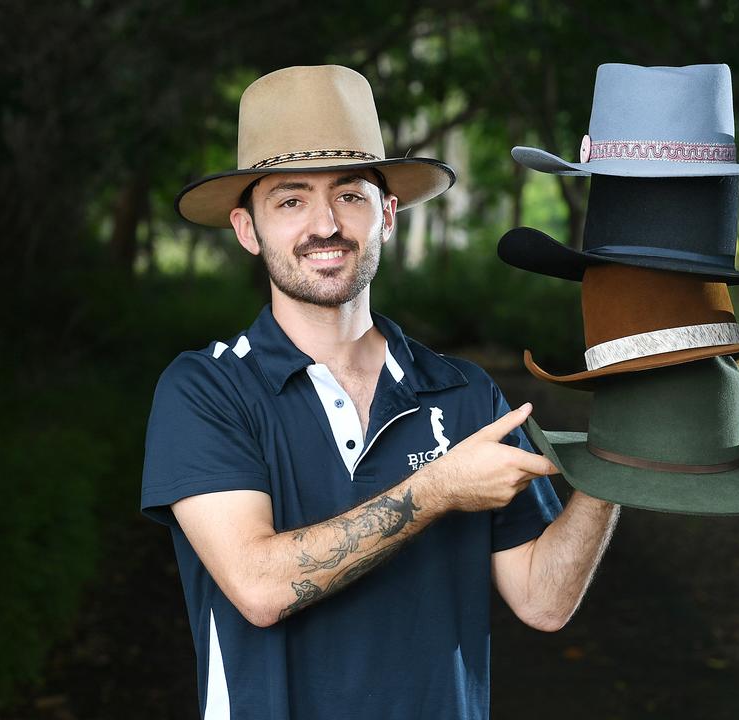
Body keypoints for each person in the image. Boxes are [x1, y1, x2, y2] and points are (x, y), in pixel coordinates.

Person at [141, 64, 619, 720]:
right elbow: (259, 587)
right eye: (290, 200)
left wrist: (618, 459)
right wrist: (437, 489)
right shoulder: (207, 390)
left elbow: (543, 600)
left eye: (350, 194)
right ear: (248, 230)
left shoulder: (465, 393)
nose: (325, 224)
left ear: (387, 215)